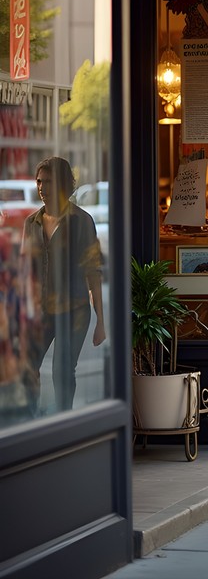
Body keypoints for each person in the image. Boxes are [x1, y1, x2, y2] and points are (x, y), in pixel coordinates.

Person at [20, 157, 105, 414]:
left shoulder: (81, 221)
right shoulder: (31, 223)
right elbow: (26, 272)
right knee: (27, 367)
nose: (42, 187)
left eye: (48, 181)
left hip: (74, 311)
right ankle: (31, 419)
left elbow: (93, 272)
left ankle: (64, 420)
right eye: (39, 181)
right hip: (42, 311)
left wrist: (101, 321)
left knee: (62, 370)